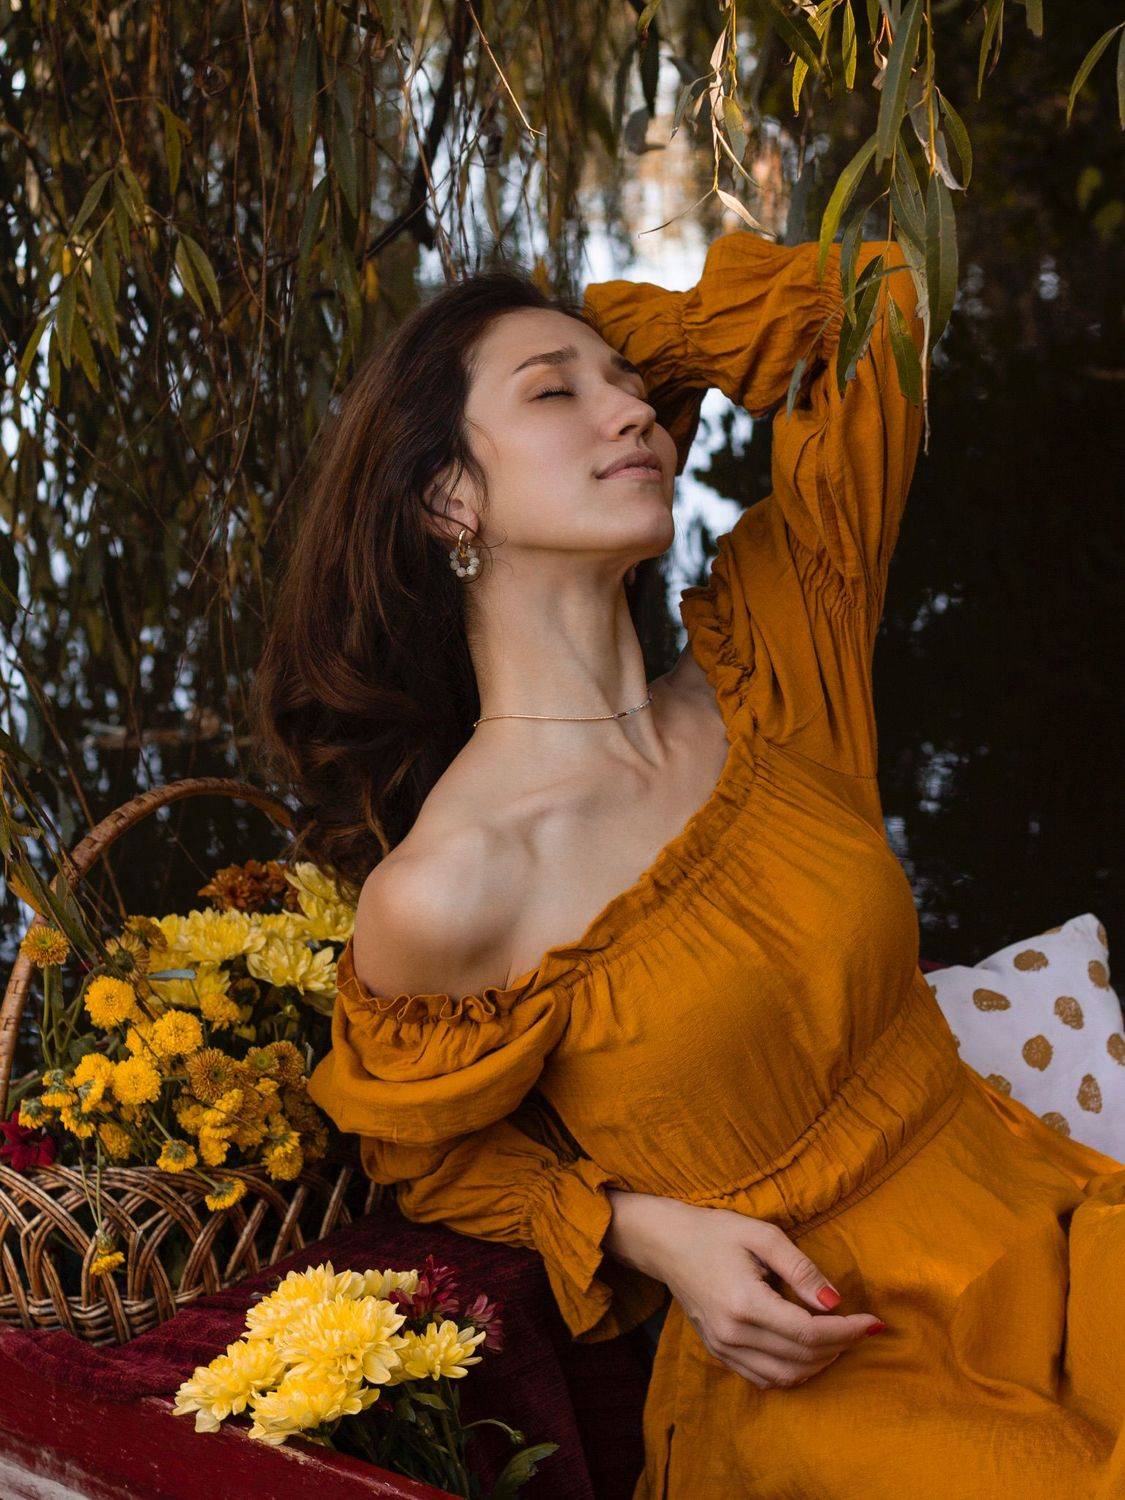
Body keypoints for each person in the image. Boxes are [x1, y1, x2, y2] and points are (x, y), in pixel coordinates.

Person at [253, 230, 1125, 1498]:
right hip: (835, 1359)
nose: (624, 413)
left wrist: (634, 363)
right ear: (447, 502)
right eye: (553, 394)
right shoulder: (454, 885)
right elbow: (424, 1155)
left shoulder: (776, 670)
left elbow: (871, 302)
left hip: (1050, 1225)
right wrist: (647, 1233)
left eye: (629, 390)